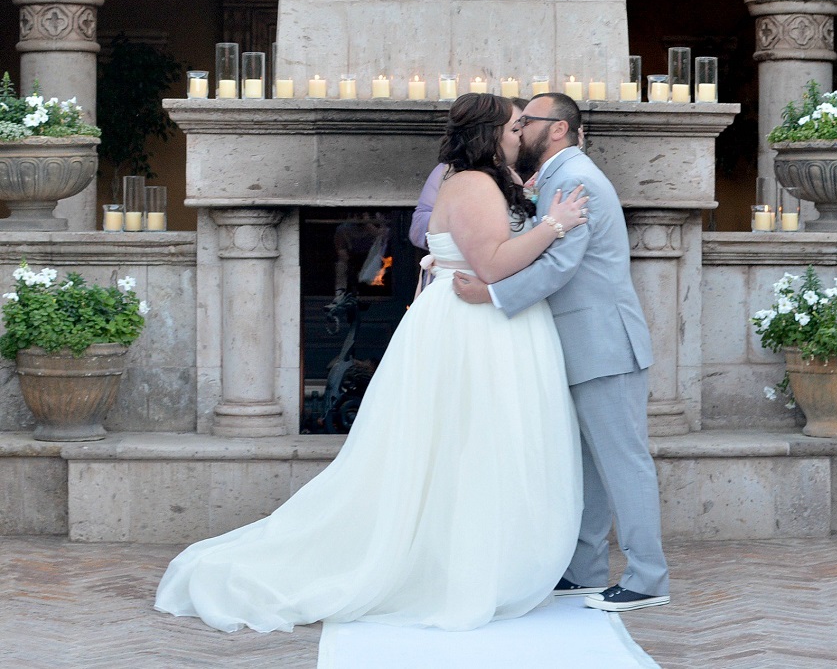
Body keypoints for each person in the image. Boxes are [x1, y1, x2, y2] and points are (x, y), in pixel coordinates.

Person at [154, 93, 590, 633]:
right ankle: (456, 568)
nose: (520, 131)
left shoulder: (483, 182)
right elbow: (495, 265)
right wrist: (555, 224)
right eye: (513, 124)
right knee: (471, 443)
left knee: (474, 444)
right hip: (473, 332)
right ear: (489, 133)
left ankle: (473, 557)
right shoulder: (474, 184)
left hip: (485, 327)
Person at [453, 92, 671, 613]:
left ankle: (647, 577)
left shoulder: (578, 180)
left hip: (603, 345)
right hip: (579, 345)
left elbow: (560, 266)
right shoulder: (553, 178)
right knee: (589, 465)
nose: (518, 129)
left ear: (556, 129)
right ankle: (585, 571)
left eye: (526, 121)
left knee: (623, 462)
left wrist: (493, 295)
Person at [409, 97, 530, 250]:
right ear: (492, 136)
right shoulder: (458, 175)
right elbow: (417, 227)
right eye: (515, 129)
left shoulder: (526, 171)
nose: (521, 135)